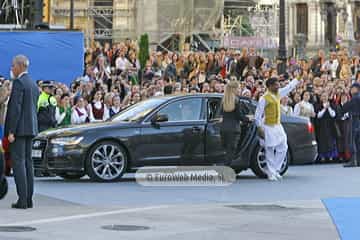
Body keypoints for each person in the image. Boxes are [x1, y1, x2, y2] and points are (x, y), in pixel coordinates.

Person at [4, 55, 40, 209]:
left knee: (18, 164)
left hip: (19, 130)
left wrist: (11, 130)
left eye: (13, 65)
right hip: (31, 128)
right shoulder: (32, 83)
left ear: (20, 66)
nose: (11, 68)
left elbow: (16, 109)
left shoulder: (19, 82)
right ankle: (29, 199)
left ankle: (22, 200)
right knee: (28, 164)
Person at [255, 77, 301, 181]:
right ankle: (271, 172)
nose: (278, 86)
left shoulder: (278, 93)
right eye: (276, 85)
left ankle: (275, 169)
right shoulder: (264, 98)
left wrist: (297, 79)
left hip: (278, 125)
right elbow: (257, 114)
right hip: (268, 126)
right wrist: (259, 127)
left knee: (283, 147)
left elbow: (288, 87)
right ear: (270, 86)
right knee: (270, 149)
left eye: (278, 84)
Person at [220, 81, 249, 166]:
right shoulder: (236, 101)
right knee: (231, 152)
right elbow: (239, 116)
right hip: (234, 129)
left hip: (223, 129)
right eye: (238, 88)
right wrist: (248, 119)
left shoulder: (223, 101)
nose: (239, 90)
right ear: (234, 89)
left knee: (226, 151)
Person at [340, 83, 360, 167]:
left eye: (352, 89)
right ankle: (358, 161)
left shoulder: (355, 98)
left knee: (352, 141)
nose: (350, 90)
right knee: (358, 141)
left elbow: (345, 108)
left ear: (356, 89)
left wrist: (345, 102)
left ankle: (353, 161)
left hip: (354, 119)